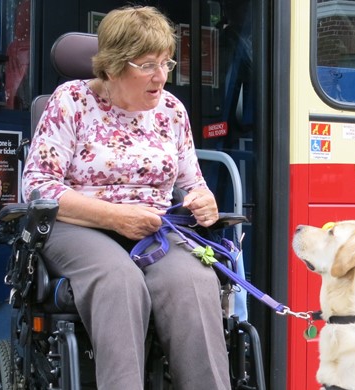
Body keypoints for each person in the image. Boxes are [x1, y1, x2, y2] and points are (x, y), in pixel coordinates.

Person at [21, 6, 231, 390]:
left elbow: (193, 181)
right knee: (119, 281)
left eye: (166, 63)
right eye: (148, 65)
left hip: (154, 226)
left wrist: (203, 199)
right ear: (114, 65)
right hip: (78, 225)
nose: (162, 76)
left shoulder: (171, 110)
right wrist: (114, 217)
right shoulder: (71, 101)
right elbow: (38, 186)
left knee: (194, 282)